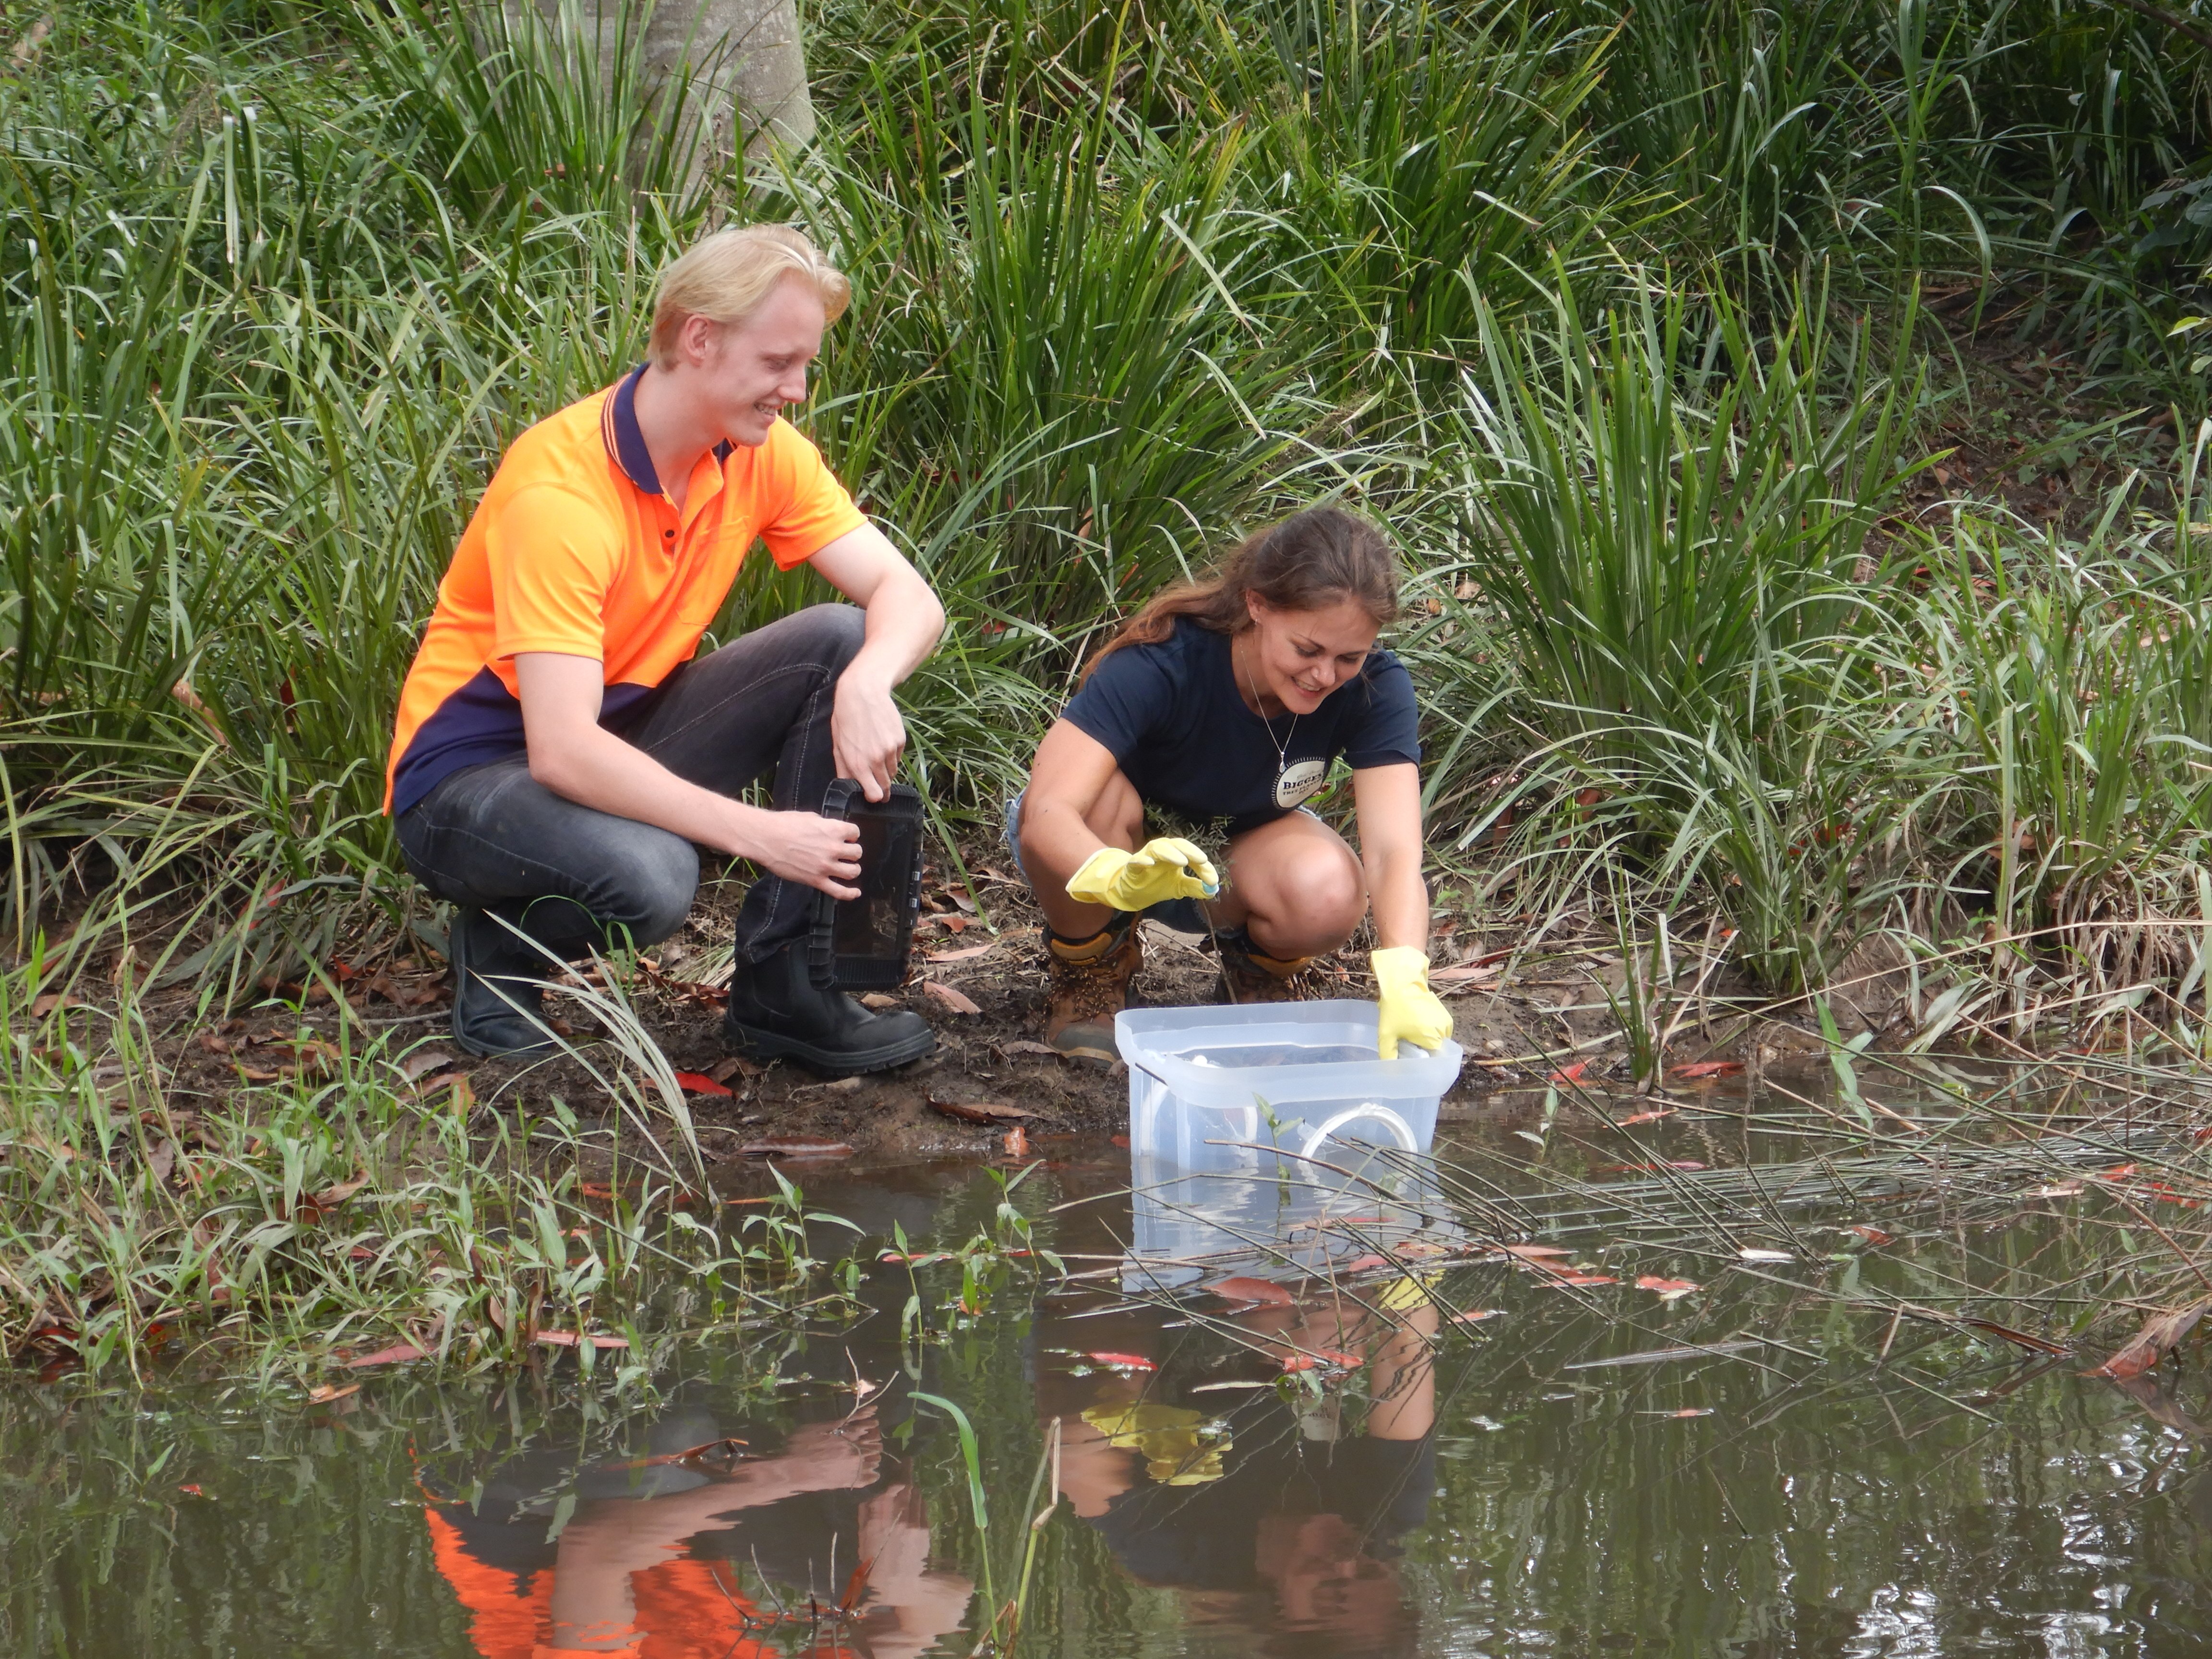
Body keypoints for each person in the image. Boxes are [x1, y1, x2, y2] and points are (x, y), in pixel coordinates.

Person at [385, 225, 944, 1074]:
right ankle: (503, 949)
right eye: (777, 363)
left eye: (805, 366)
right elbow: (563, 750)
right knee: (654, 878)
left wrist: (869, 681)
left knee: (839, 639)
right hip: (468, 784)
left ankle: (784, 984)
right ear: (698, 337)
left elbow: (910, 599)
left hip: (613, 731)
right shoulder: (561, 492)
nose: (795, 389)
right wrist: (765, 833)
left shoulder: (761, 456)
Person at [1010, 505, 1455, 1061]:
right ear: (1258, 604)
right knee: (1095, 800)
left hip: (1235, 864)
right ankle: (1090, 967)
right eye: (1307, 650)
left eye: (1348, 657)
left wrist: (1407, 972)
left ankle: (1259, 972)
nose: (1324, 676)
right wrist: (1118, 876)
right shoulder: (1164, 660)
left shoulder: (1375, 689)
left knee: (1330, 887)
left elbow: (1393, 853)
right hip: (1113, 849)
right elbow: (1048, 812)